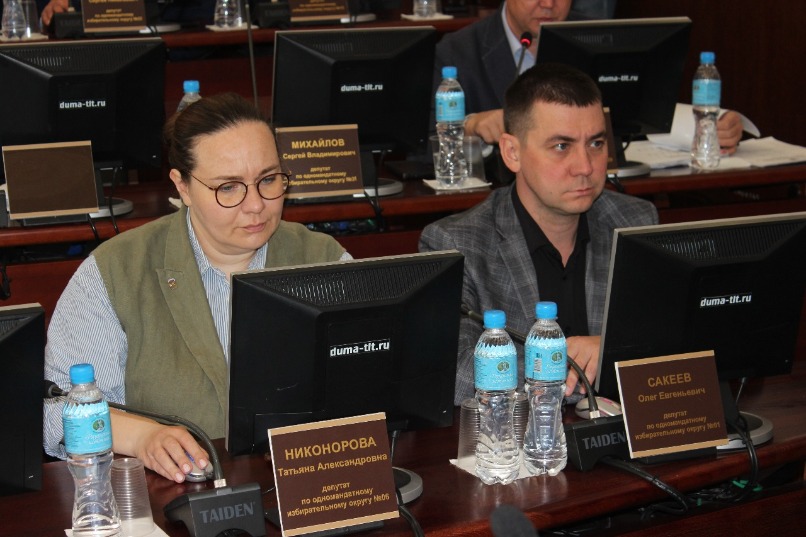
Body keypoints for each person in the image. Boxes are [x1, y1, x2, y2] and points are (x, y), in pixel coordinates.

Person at [43, 93, 351, 482]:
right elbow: (58, 413)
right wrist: (143, 438)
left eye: (268, 180)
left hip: (307, 482)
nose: (256, 205)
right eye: (229, 187)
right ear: (183, 187)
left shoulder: (324, 259)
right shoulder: (114, 272)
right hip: (173, 492)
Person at [419, 63, 659, 405]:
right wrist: (565, 365)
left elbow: (672, 338)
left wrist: (610, 350)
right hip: (516, 433)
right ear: (512, 153)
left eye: (596, 143)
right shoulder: (457, 244)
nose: (585, 166)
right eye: (561, 146)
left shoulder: (634, 221)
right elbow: (454, 374)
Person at [434, 0, 743, 154]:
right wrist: (470, 126)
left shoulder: (600, 36)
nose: (549, 4)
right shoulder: (457, 51)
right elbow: (426, 148)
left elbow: (635, 110)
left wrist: (709, 124)